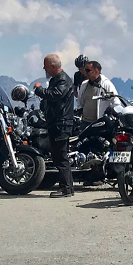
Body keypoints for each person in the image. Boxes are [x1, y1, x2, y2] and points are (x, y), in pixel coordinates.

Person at [37, 53, 76, 197]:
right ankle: (68, 187)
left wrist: (39, 90)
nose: (44, 69)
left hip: (61, 124)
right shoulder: (56, 80)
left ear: (53, 66)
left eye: (46, 66)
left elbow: (55, 95)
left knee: (61, 156)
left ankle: (65, 188)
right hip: (56, 123)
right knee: (59, 156)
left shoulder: (63, 80)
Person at [76, 59, 116, 126]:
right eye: (85, 70)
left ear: (96, 71)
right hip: (85, 122)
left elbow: (116, 102)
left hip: (100, 123)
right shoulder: (84, 84)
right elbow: (80, 101)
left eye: (88, 70)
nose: (85, 72)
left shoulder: (106, 84)